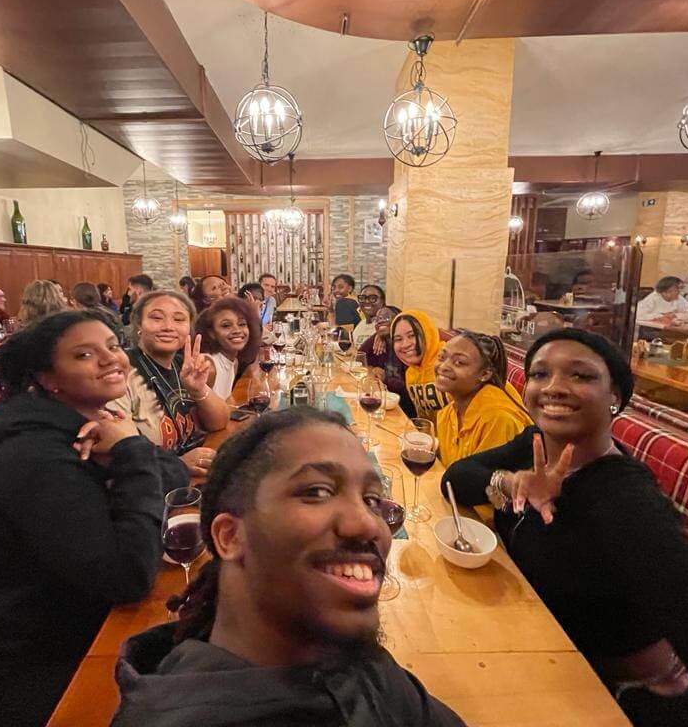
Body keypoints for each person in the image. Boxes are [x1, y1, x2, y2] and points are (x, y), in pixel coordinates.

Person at [440, 329, 688, 727]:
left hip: (620, 692)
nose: (554, 387)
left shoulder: (625, 500)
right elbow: (457, 476)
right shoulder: (537, 442)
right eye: (540, 374)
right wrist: (510, 481)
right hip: (538, 645)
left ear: (615, 398)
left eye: (581, 376)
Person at [111, 408, 466, 727]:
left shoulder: (347, 656)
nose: (370, 525)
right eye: (317, 491)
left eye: (372, 499)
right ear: (230, 536)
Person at [0, 311, 188, 727]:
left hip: (70, 624)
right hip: (11, 675)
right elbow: (129, 577)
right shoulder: (36, 458)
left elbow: (174, 476)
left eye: (113, 346)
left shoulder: (80, 426)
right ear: (48, 379)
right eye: (85, 354)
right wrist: (132, 454)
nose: (111, 359)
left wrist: (129, 446)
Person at [113, 290, 228, 477]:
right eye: (157, 318)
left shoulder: (185, 366)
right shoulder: (123, 372)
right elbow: (121, 456)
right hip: (156, 487)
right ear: (139, 325)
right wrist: (178, 464)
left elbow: (220, 422)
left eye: (179, 319)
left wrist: (198, 391)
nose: (168, 327)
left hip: (194, 476)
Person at [434, 331, 532, 467]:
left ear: (485, 374)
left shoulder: (498, 420)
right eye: (441, 357)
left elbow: (485, 484)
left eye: (459, 362)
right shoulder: (447, 414)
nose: (443, 366)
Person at [194, 297, 262, 400]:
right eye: (226, 325)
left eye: (242, 324)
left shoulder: (234, 362)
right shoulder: (208, 366)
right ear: (211, 333)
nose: (237, 330)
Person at [391, 309, 450, 422]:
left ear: (428, 333)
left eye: (412, 335)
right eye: (398, 339)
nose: (405, 344)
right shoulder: (411, 373)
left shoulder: (449, 362)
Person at [360, 305, 416, 419]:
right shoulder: (383, 343)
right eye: (377, 319)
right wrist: (377, 336)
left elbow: (411, 390)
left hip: (406, 413)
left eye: (386, 317)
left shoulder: (407, 349)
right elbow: (360, 357)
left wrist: (386, 378)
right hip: (387, 406)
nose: (380, 321)